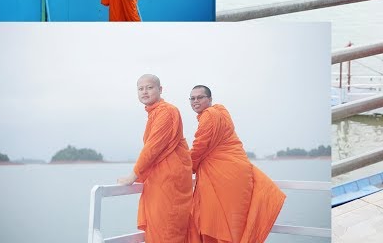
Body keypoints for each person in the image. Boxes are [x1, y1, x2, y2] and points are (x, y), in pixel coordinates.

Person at [186, 86, 287, 243]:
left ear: (210, 99)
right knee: (235, 221)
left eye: (200, 97)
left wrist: (184, 170)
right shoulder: (221, 111)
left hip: (224, 175)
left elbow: (199, 147)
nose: (196, 101)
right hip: (239, 171)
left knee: (218, 220)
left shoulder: (209, 116)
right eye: (192, 98)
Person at [117, 74, 192, 243]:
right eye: (140, 88)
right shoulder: (155, 113)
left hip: (169, 180)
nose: (145, 92)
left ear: (160, 89)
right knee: (161, 228)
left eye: (149, 88)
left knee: (168, 229)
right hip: (162, 178)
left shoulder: (166, 111)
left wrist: (133, 176)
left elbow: (152, 148)